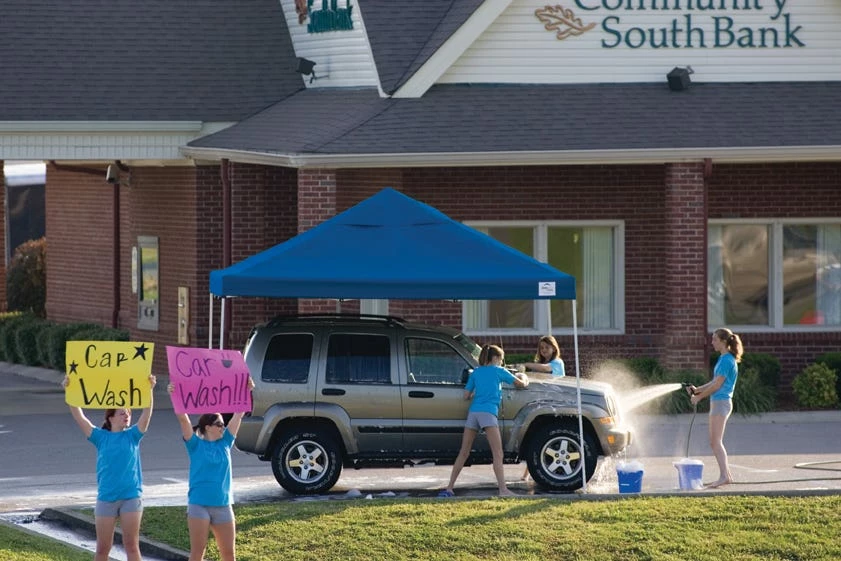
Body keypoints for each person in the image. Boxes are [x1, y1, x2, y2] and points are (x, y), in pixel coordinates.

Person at [63, 373, 157, 561]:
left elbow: (146, 415)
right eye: (122, 413)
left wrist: (149, 391)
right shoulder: (100, 437)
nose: (127, 416)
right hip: (106, 498)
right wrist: (69, 390)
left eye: (129, 413)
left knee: (131, 546)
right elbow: (79, 417)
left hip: (131, 497)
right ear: (111, 417)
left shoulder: (133, 436)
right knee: (102, 548)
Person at [169, 377, 254, 561]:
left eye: (224, 424)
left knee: (229, 555)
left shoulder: (226, 442)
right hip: (199, 505)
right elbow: (183, 420)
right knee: (198, 553)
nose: (223, 427)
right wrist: (174, 394)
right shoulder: (194, 444)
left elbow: (239, 414)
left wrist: (247, 391)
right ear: (207, 427)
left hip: (223, 505)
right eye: (219, 424)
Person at [440, 344, 529, 497]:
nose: (501, 362)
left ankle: (449, 488)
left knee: (464, 452)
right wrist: (524, 377)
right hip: (488, 414)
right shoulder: (499, 371)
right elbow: (519, 384)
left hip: (473, 413)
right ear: (495, 358)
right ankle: (503, 490)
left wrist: (478, 392)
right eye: (501, 359)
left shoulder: (475, 372)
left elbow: (466, 396)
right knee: (498, 453)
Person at [687, 328, 743, 489]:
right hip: (718, 403)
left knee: (715, 442)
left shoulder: (726, 361)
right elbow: (714, 382)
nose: (712, 342)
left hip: (721, 403)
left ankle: (724, 476)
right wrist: (697, 389)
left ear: (723, 342)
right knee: (714, 441)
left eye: (715, 340)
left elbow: (717, 386)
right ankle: (727, 475)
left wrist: (699, 397)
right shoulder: (724, 358)